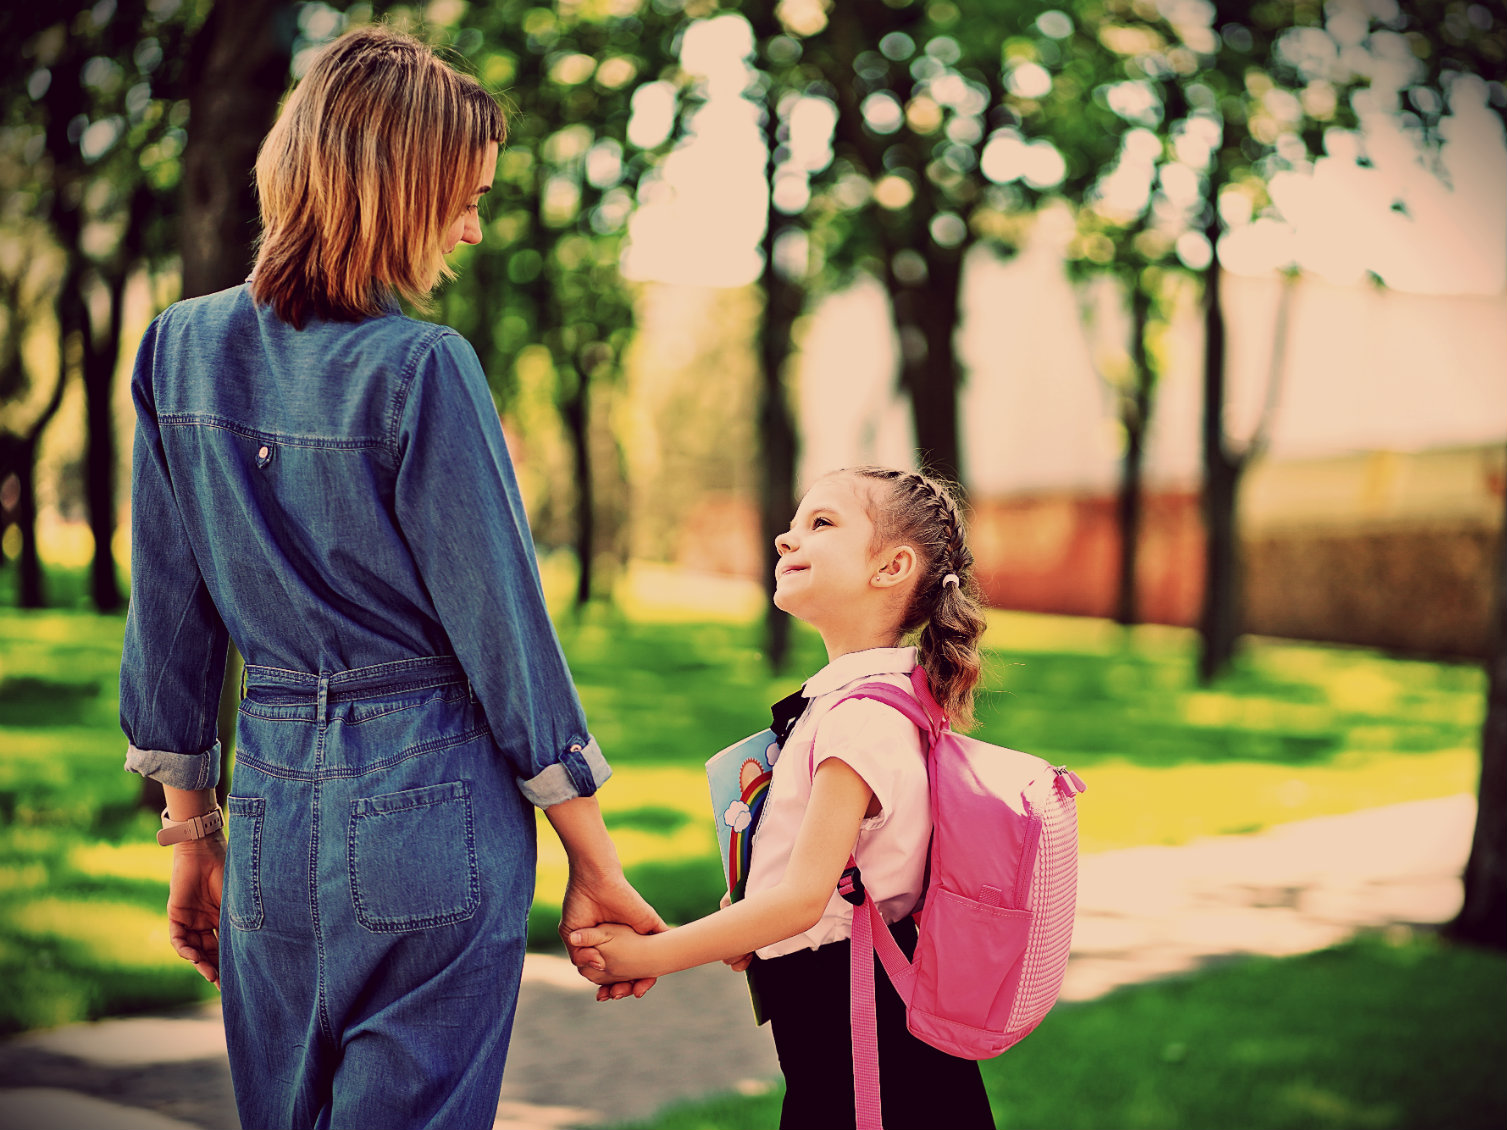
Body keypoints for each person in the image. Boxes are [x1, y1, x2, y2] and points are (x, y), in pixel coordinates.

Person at [118, 26, 661, 1130]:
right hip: (435, 807)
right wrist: (594, 863)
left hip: (268, 811)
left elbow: (169, 624)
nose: (470, 225)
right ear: (391, 189)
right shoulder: (423, 367)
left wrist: (192, 836)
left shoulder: (174, 348)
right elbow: (507, 638)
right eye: (461, 197)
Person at [568, 466, 997, 1129]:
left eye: (819, 523)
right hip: (850, 1017)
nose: (784, 538)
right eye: (793, 523)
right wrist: (752, 925)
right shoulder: (857, 703)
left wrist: (653, 954)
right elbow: (818, 883)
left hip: (865, 1032)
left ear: (891, 567)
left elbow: (802, 901)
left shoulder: (860, 718)